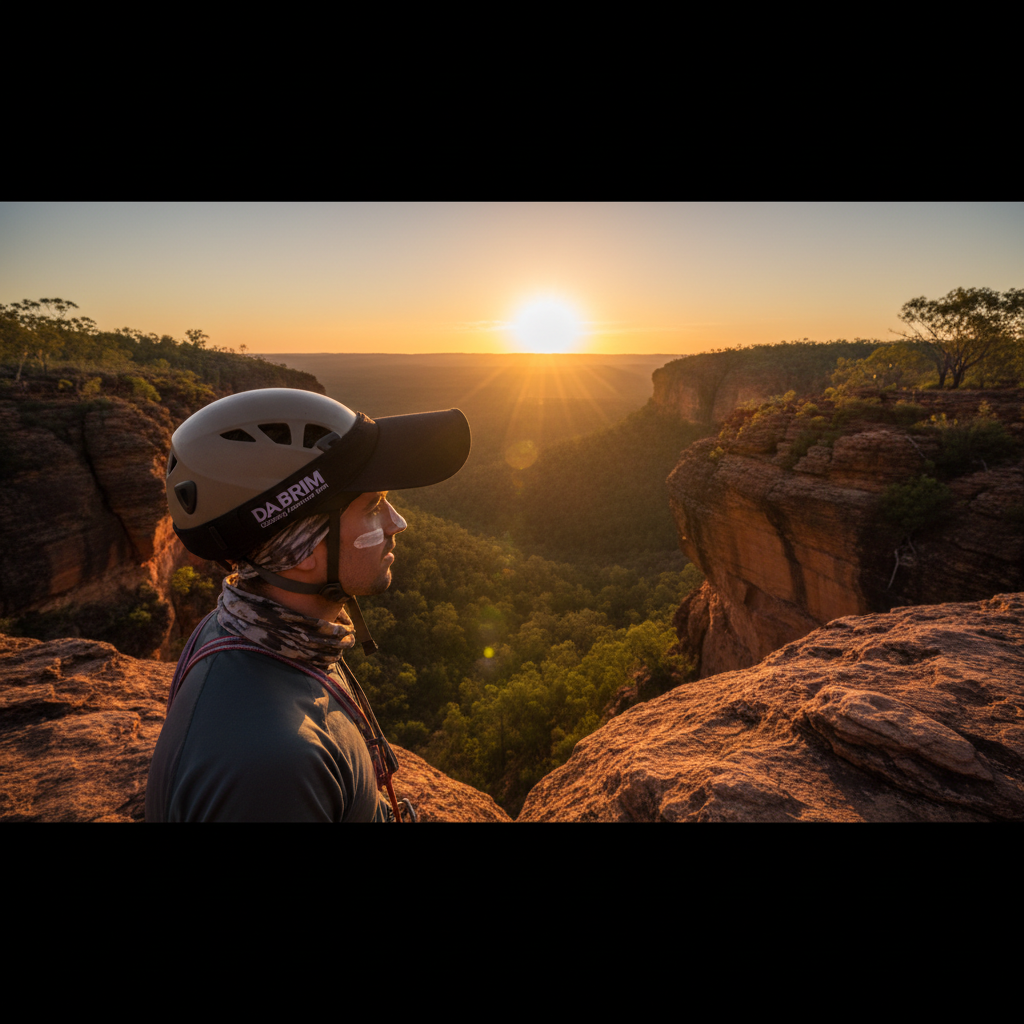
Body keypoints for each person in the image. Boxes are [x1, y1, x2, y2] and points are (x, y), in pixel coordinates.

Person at [145, 387, 471, 822]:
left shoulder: (255, 630)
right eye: (374, 506)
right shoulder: (275, 768)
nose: (398, 523)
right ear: (301, 553)